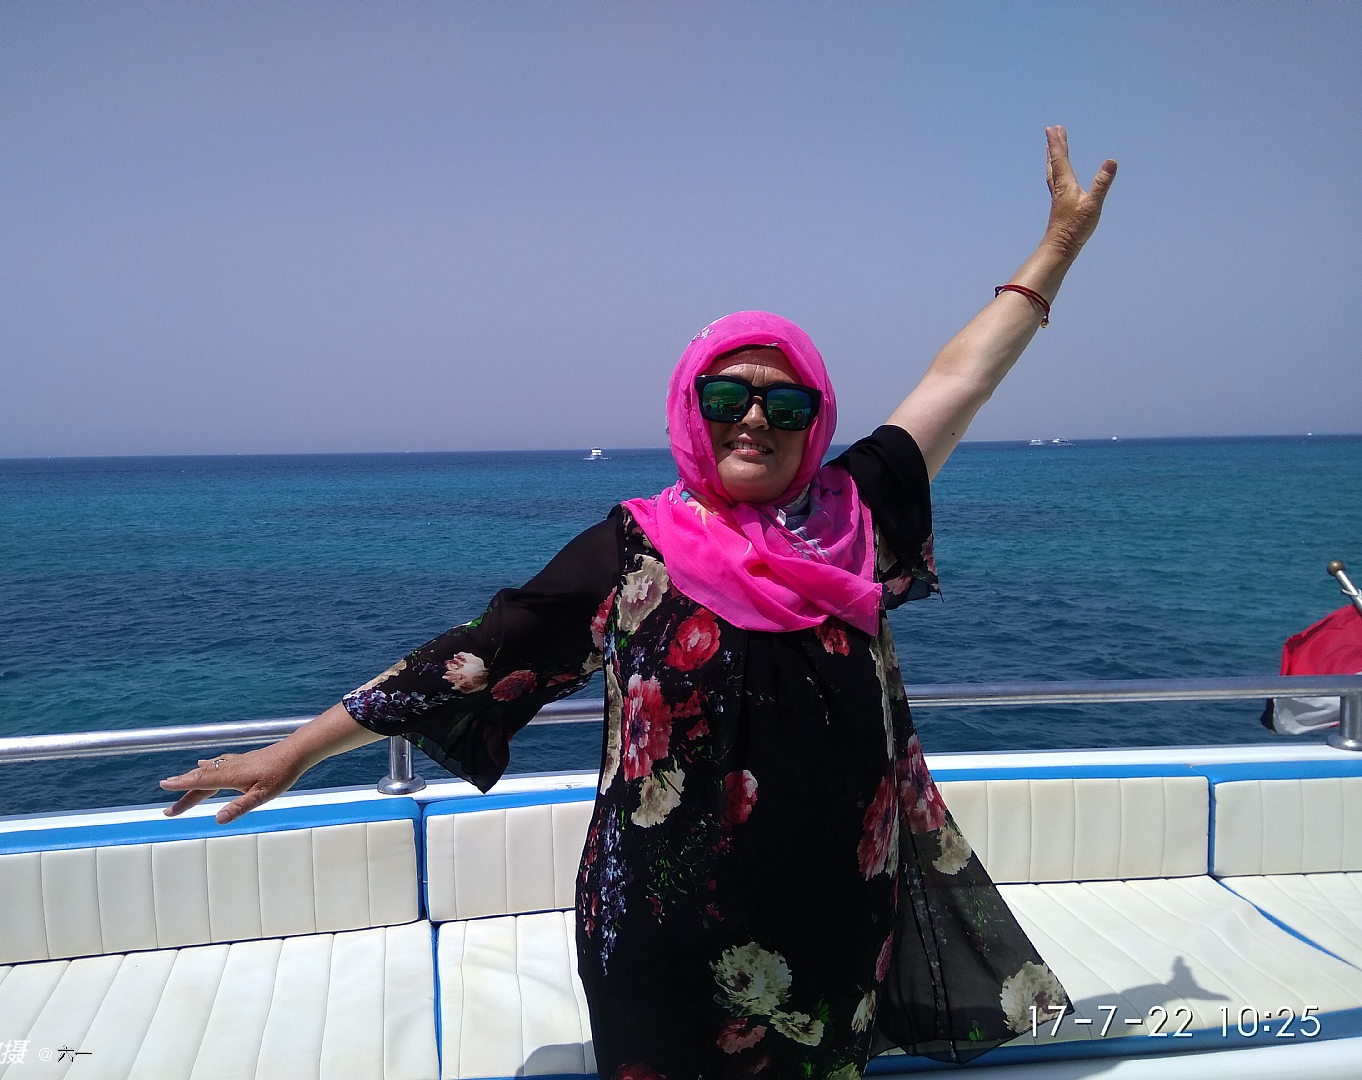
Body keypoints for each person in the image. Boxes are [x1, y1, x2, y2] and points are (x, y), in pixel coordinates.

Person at [162, 126, 1116, 1078]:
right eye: (728, 398)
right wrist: (293, 753)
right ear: (691, 408)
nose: (755, 419)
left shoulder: (853, 516)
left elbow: (961, 377)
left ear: (815, 421)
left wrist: (1058, 248)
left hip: (831, 926)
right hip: (661, 944)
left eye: (785, 406)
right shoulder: (632, 550)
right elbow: (470, 657)